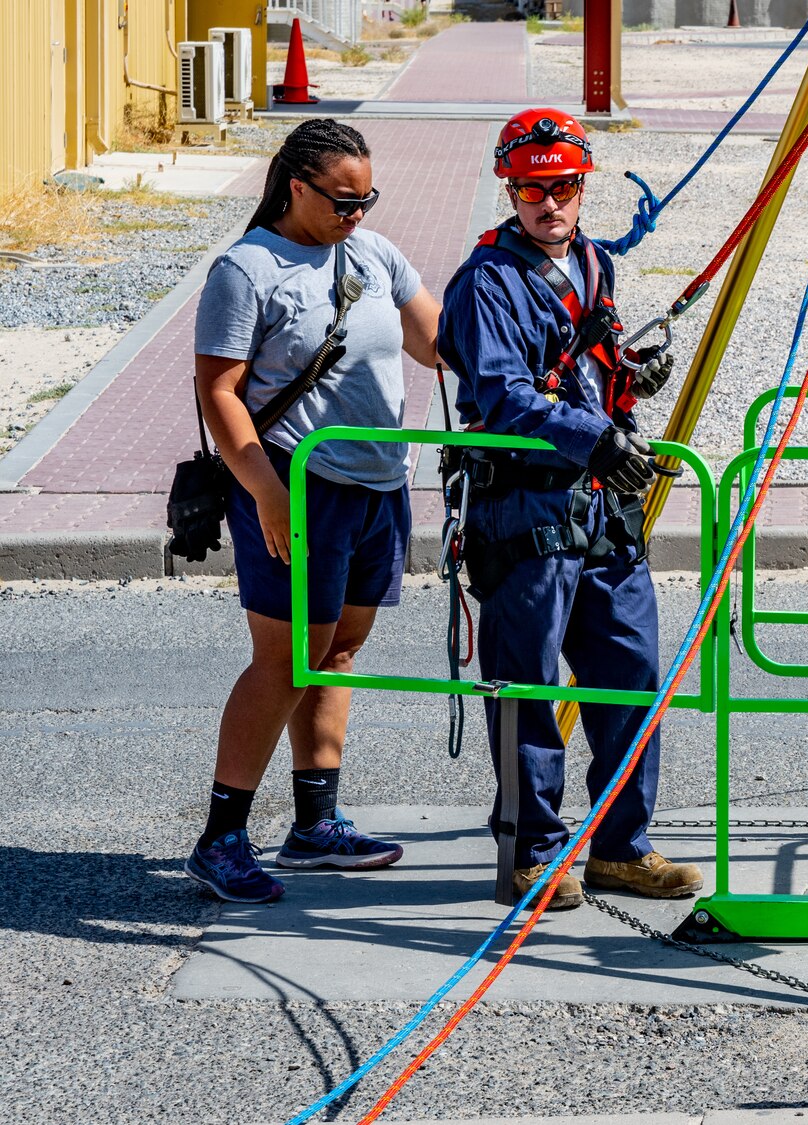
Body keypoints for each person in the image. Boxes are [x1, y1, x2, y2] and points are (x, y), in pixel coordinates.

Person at [185, 119, 443, 903]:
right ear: (295, 185)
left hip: (378, 481)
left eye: (367, 198)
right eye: (341, 200)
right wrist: (266, 489)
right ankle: (222, 836)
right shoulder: (247, 268)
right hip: (297, 482)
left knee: (339, 648)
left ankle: (314, 824)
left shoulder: (374, 251)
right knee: (289, 656)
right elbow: (219, 391)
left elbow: (437, 342)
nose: (355, 214)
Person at [437, 108, 688, 911]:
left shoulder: (591, 264)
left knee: (630, 673)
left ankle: (622, 846)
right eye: (534, 188)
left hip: (602, 507)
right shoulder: (487, 284)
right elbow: (506, 394)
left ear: (584, 188)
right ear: (511, 189)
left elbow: (586, 357)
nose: (550, 202)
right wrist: (595, 437)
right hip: (524, 508)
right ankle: (531, 851)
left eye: (565, 186)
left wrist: (628, 377)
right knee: (527, 683)